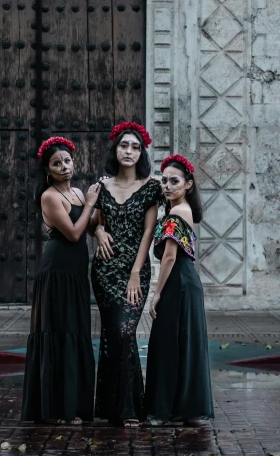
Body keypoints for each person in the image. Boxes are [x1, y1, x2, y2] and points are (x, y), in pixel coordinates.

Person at [21, 136, 101, 424]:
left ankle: (74, 408)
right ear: (48, 170)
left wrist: (99, 220)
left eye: (67, 161)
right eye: (57, 164)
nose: (64, 167)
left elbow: (91, 228)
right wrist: (92, 203)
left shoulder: (78, 193)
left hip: (77, 274)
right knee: (58, 335)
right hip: (56, 273)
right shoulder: (49, 196)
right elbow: (74, 233)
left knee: (75, 334)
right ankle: (56, 410)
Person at [91, 122, 162, 427]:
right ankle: (112, 408)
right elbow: (94, 220)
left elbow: (148, 232)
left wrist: (135, 272)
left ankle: (129, 407)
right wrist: (98, 230)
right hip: (105, 271)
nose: (129, 151)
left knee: (125, 332)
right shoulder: (101, 187)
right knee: (112, 334)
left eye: (135, 147)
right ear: (115, 149)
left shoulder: (151, 188)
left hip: (135, 271)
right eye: (124, 146)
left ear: (141, 152)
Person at [144, 154, 214, 425]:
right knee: (180, 345)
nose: (168, 185)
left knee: (168, 344)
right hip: (185, 283)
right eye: (165, 181)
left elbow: (170, 257)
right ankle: (180, 407)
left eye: (175, 181)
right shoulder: (183, 209)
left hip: (178, 283)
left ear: (188, 184)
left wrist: (157, 292)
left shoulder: (177, 211)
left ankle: (165, 410)